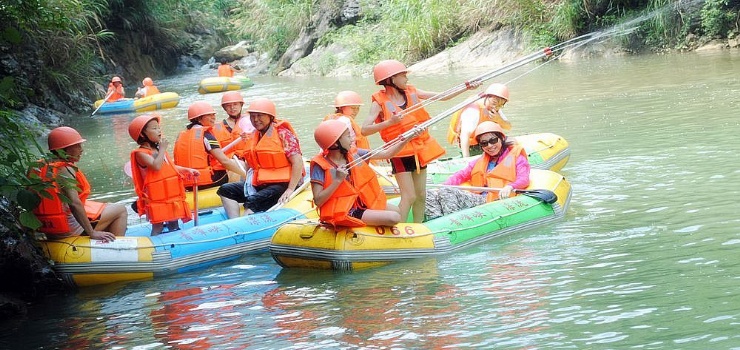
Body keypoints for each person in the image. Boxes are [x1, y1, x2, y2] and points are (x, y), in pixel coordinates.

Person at [361, 59, 478, 223]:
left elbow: (442, 97)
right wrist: (389, 122)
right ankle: (398, 228)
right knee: (409, 196)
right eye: (403, 75)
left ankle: (418, 226)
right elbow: (364, 130)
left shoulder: (412, 91)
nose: (406, 78)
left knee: (421, 195)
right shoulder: (378, 102)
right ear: (391, 79)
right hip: (399, 153)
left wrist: (466, 87)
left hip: (418, 149)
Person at [310, 120, 419, 227]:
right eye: (348, 136)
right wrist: (337, 180)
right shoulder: (320, 166)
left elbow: (387, 154)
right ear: (335, 142)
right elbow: (318, 201)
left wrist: (407, 138)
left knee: (397, 210)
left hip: (362, 202)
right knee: (394, 217)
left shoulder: (354, 153)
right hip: (347, 210)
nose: (352, 139)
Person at [30, 126, 127, 242]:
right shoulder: (65, 169)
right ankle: (118, 248)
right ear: (64, 149)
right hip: (68, 231)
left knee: (107, 207)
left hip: (48, 229)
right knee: (120, 209)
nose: (81, 150)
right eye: (77, 146)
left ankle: (108, 236)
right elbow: (75, 203)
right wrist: (92, 233)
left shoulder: (37, 167)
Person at [217, 98, 304, 218]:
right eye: (252, 116)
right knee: (225, 190)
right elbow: (250, 164)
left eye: (259, 116)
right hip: (261, 183)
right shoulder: (254, 135)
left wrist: (290, 189)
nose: (256, 120)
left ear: (270, 116)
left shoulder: (283, 134)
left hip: (283, 184)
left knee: (253, 201)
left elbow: (298, 162)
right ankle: (234, 223)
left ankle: (245, 226)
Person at [426, 121, 530, 220]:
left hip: (492, 200)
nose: (490, 146)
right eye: (484, 143)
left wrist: (510, 187)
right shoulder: (479, 161)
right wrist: (441, 187)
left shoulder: (517, 157)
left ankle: (452, 224)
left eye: (493, 140)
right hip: (477, 197)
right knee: (428, 194)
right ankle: (437, 221)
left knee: (447, 191)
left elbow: (524, 178)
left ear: (501, 139)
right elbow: (460, 175)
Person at [128, 114, 200, 235]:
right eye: (154, 128)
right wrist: (162, 149)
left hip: (171, 196)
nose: (159, 131)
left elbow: (168, 167)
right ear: (142, 134)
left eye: (158, 127)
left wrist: (186, 169)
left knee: (174, 222)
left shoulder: (158, 150)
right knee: (158, 226)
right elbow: (156, 166)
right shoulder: (140, 153)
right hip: (156, 198)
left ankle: (176, 244)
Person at [173, 101, 246, 191]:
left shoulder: (181, 135)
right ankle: (243, 190)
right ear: (199, 119)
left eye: (213, 114)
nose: (213, 118)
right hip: (205, 181)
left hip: (187, 183)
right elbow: (225, 161)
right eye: (210, 115)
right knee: (240, 164)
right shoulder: (207, 135)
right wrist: (245, 175)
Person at [447, 83, 511, 157]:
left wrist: (499, 119)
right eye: (494, 102)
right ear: (487, 96)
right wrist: (466, 158)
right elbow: (464, 135)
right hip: (471, 146)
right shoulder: (473, 110)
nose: (496, 107)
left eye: (500, 105)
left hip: (486, 142)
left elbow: (508, 127)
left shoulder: (495, 108)